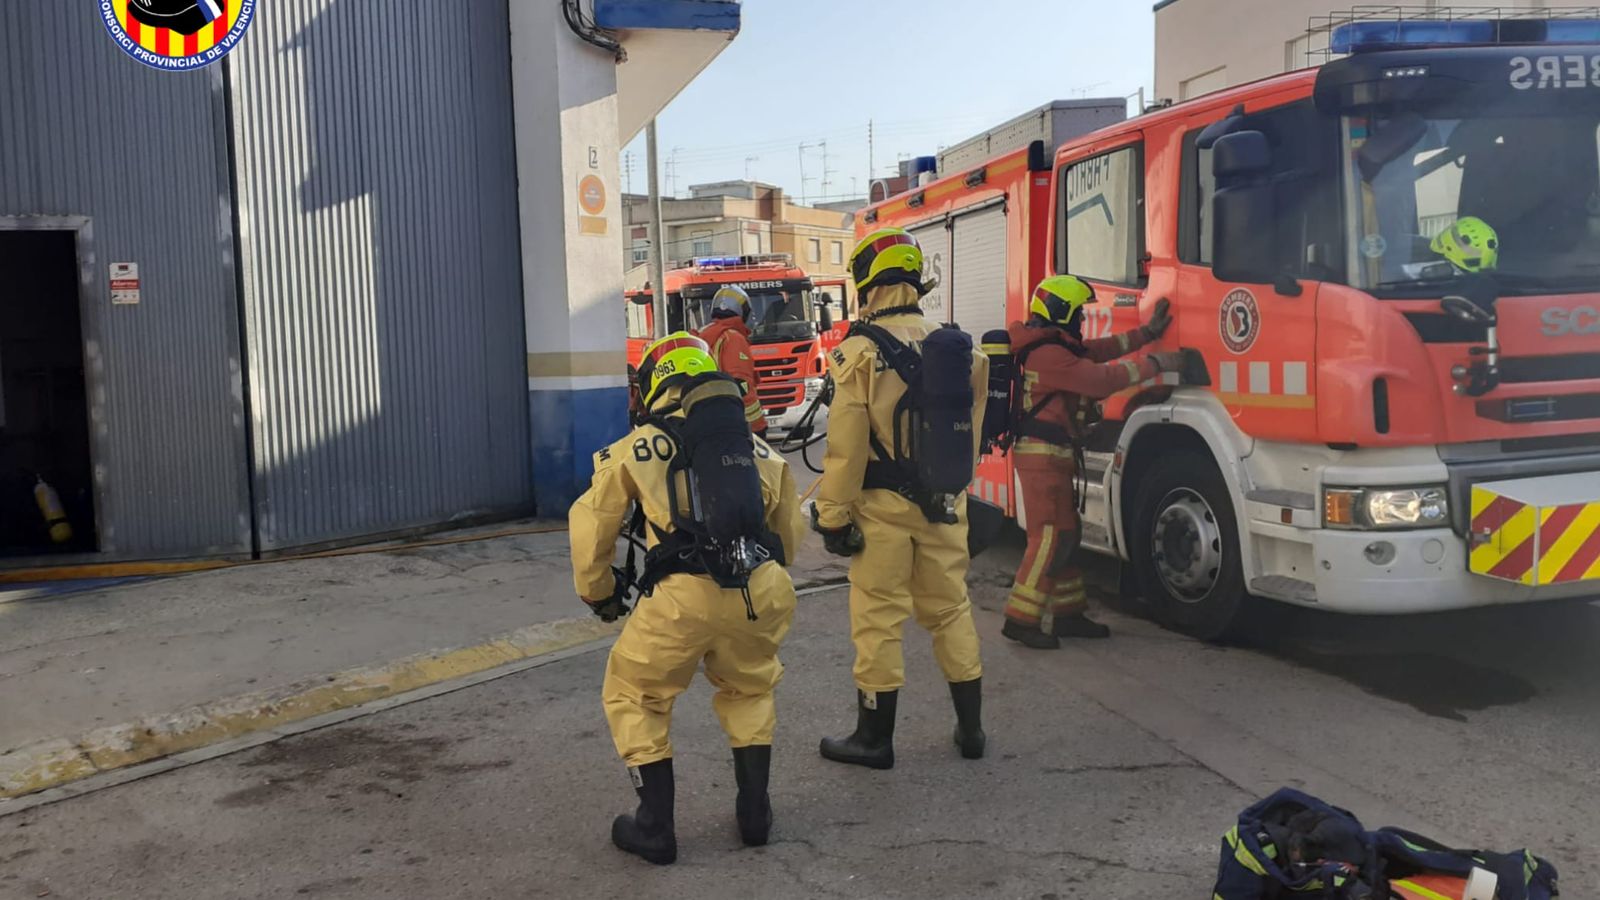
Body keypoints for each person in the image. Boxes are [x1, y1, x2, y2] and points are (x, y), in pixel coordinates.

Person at [569, 332, 805, 865]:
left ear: (653, 383)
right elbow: (789, 534)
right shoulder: (755, 447)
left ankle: (654, 825)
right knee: (749, 688)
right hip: (759, 588)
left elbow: (591, 526)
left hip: (680, 598)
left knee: (635, 693)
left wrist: (601, 594)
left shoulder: (639, 446)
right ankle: (754, 815)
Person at [811, 228, 989, 770]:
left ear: (868, 281)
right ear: (915, 278)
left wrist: (832, 517)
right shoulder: (960, 351)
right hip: (943, 505)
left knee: (879, 619)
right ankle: (972, 730)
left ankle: (874, 738)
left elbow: (846, 449)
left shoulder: (858, 353)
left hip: (882, 511)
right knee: (951, 609)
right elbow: (971, 431)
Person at [1002, 275, 1181, 649]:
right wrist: (1157, 363)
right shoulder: (1049, 355)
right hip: (1043, 457)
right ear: (1062, 312)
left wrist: (1147, 333)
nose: (1082, 320)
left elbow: (1101, 350)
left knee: (1067, 533)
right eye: (1078, 313)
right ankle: (1021, 619)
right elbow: (1102, 379)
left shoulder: (1053, 347)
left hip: (1052, 455)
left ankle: (1067, 613)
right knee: (1050, 537)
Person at [697, 285, 768, 437]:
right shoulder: (733, 338)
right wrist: (758, 426)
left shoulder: (702, 336)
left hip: (707, 419)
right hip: (731, 423)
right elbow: (742, 386)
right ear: (743, 312)